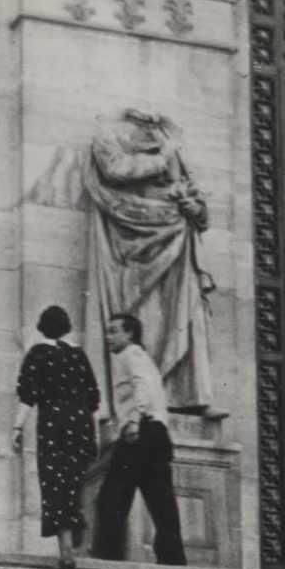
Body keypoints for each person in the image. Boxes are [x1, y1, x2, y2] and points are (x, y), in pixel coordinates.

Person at [82, 108, 219, 415]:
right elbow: (114, 169)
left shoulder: (170, 141)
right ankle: (142, 404)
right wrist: (162, 156)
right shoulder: (109, 133)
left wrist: (194, 207)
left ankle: (183, 396)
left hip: (176, 236)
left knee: (181, 314)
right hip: (134, 241)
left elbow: (198, 205)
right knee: (147, 320)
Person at [90, 313, 187, 566]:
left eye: (114, 331)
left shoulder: (130, 354)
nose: (108, 337)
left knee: (112, 497)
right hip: (156, 433)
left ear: (130, 333)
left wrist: (133, 420)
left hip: (141, 431)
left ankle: (107, 557)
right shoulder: (141, 357)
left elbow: (141, 386)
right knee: (160, 498)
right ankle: (173, 559)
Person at [12, 306, 101, 569]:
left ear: (41, 327)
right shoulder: (78, 355)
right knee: (76, 481)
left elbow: (27, 396)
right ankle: (78, 537)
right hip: (82, 424)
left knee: (55, 485)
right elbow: (94, 397)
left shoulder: (37, 354)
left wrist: (17, 428)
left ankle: (65, 550)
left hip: (54, 426)